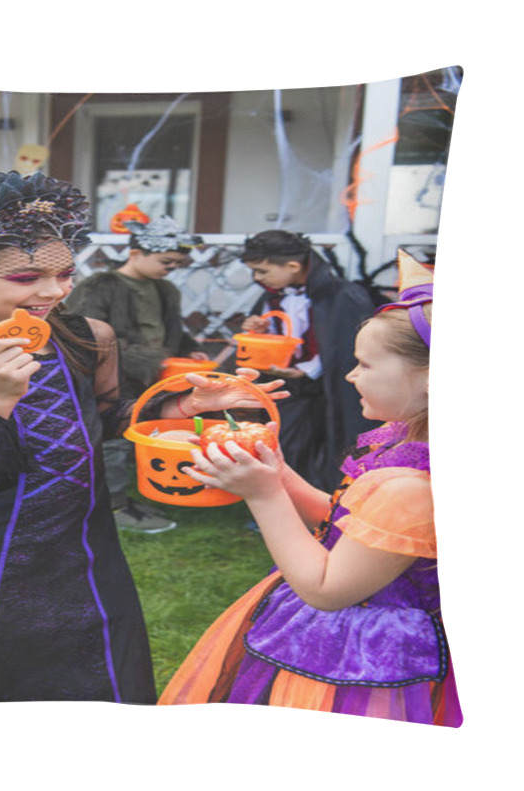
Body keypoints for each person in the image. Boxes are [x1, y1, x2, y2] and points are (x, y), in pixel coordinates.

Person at [0, 171, 285, 708]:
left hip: (84, 558)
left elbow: (107, 419)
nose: (53, 290)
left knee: (96, 691)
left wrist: (184, 406)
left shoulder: (88, 337)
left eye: (65, 273)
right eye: (24, 277)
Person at [158, 250, 462, 727]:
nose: (349, 375)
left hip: (363, 661)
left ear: (431, 380)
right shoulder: (412, 446)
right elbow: (349, 526)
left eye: (364, 364)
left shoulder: (411, 487)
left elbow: (326, 588)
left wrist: (264, 496)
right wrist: (276, 470)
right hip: (349, 637)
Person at [65, 216, 209, 533]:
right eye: (165, 261)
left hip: (155, 375)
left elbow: (173, 329)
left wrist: (189, 348)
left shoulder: (166, 290)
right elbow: (83, 333)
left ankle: (135, 494)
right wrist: (148, 360)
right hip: (111, 376)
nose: (170, 268)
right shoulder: (99, 287)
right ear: (135, 253)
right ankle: (114, 506)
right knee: (112, 440)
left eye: (176, 264)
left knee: (144, 432)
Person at [240, 230, 375, 489]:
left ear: (293, 266)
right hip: (289, 386)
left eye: (262, 271)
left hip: (330, 387)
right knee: (286, 442)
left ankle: (326, 501)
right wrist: (259, 330)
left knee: (330, 443)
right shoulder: (273, 294)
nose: (256, 278)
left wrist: (307, 369)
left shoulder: (343, 295)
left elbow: (346, 344)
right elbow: (280, 332)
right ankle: (282, 497)